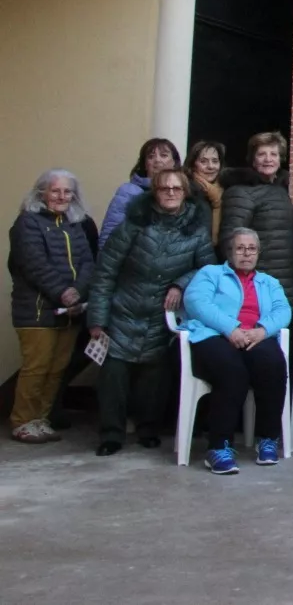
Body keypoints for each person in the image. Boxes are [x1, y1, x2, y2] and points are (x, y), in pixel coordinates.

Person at [86, 168, 212, 455]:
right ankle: (111, 434)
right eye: (164, 188)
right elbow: (105, 273)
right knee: (113, 376)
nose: (170, 193)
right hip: (123, 310)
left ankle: (148, 429)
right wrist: (97, 319)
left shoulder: (196, 230)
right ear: (154, 193)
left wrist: (180, 285)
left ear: (185, 193)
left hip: (161, 315)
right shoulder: (133, 225)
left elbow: (206, 271)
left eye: (176, 188)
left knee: (154, 378)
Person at [181, 228, 292, 474]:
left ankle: (268, 439)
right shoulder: (210, 274)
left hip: (254, 336)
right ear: (229, 252)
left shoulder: (268, 282)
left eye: (251, 249)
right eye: (240, 248)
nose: (246, 253)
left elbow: (283, 311)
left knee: (274, 364)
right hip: (214, 336)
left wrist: (262, 331)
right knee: (232, 372)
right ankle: (219, 446)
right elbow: (196, 302)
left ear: (258, 253)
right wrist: (230, 328)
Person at [9, 169, 96, 444]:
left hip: (69, 311)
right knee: (36, 367)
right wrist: (63, 293)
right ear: (41, 193)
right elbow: (33, 264)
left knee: (57, 368)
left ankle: (41, 419)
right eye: (55, 190)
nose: (62, 196)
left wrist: (78, 294)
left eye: (67, 191)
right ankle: (23, 421)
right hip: (36, 311)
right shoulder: (27, 223)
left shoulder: (75, 224)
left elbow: (87, 263)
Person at [221, 130, 293, 306]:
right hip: (256, 279)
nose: (268, 159)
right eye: (262, 154)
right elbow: (230, 240)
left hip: (284, 277)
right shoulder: (241, 191)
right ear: (253, 159)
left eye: (274, 154)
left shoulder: (282, 190)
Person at [103, 138, 183, 240]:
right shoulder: (128, 191)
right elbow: (110, 231)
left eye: (163, 155)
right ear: (145, 164)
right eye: (151, 156)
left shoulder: (184, 191)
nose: (157, 160)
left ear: (174, 163)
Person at [183, 140, 225, 245]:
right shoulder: (185, 192)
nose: (210, 166)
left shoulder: (225, 190)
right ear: (193, 165)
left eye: (215, 161)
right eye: (203, 161)